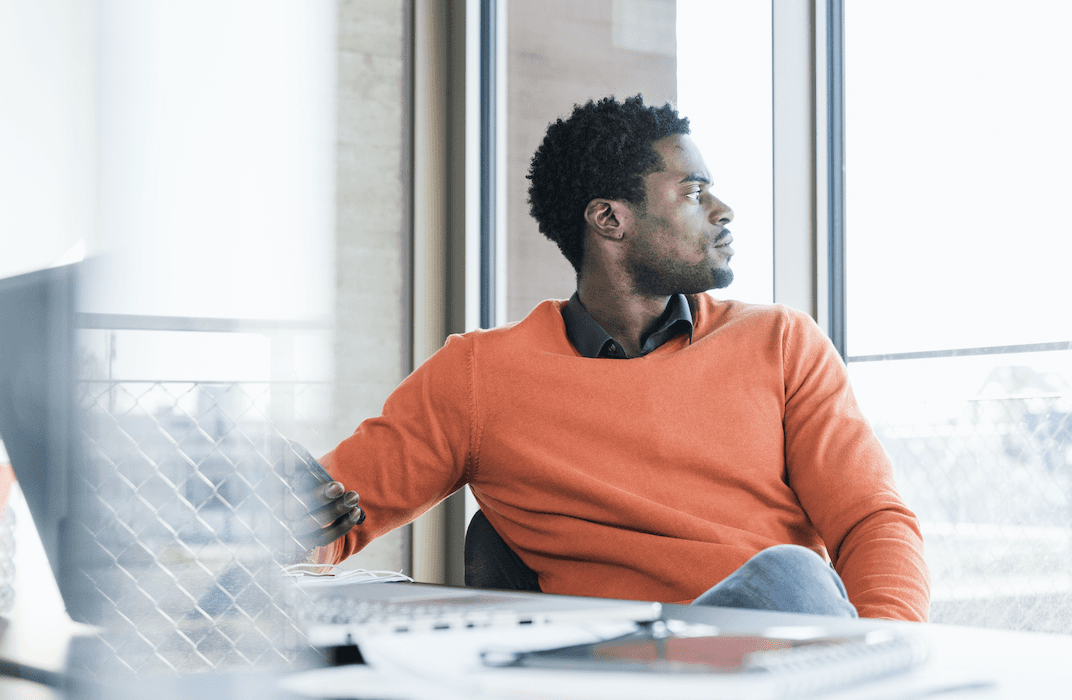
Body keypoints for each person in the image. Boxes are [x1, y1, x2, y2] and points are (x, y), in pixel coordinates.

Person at [298, 95, 930, 622]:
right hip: (614, 669)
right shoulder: (477, 376)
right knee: (796, 583)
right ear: (609, 218)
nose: (723, 209)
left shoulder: (783, 343)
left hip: (776, 651)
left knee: (792, 582)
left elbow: (872, 522)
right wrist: (287, 514)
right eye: (694, 191)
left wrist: (890, 654)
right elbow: (326, 520)